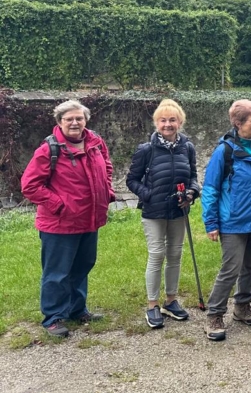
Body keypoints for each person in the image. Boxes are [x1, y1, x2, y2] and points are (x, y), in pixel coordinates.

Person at [21, 100, 114, 338]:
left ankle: (77, 310)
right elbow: (30, 185)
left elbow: (107, 167)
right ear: (59, 122)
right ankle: (53, 317)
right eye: (69, 119)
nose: (75, 123)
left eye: (79, 118)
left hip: (89, 219)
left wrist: (107, 191)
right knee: (57, 273)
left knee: (82, 267)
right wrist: (59, 205)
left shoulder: (96, 143)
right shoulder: (49, 149)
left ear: (86, 120)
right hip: (59, 224)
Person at [201, 100, 251, 342]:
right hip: (233, 221)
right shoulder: (224, 152)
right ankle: (214, 315)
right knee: (230, 269)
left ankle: (242, 306)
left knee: (250, 266)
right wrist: (211, 223)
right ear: (238, 123)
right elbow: (210, 188)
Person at [126, 99, 200, 329]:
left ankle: (170, 301)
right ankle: (152, 305)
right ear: (156, 123)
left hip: (179, 210)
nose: (168, 124)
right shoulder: (146, 149)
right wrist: (148, 195)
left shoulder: (187, 147)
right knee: (157, 254)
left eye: (172, 120)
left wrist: (192, 193)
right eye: (163, 120)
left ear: (180, 122)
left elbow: (193, 176)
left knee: (175, 254)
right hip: (154, 211)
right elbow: (132, 180)